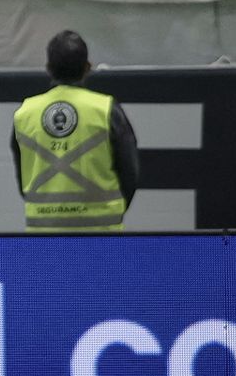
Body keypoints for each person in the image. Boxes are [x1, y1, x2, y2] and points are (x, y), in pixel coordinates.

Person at [10, 30, 141, 232]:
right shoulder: (106, 109)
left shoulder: (25, 113)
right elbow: (130, 172)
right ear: (87, 67)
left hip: (43, 233)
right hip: (102, 231)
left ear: (48, 69)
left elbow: (22, 175)